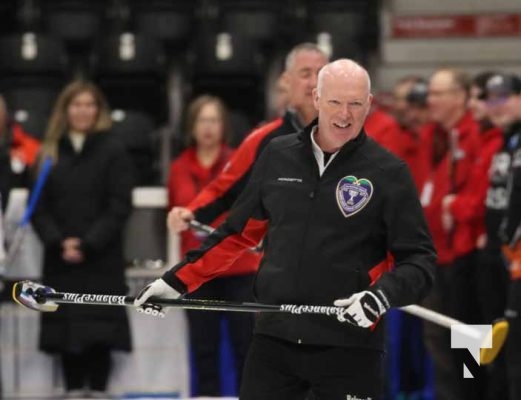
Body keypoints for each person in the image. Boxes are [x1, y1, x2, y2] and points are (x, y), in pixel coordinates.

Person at [136, 59, 436, 400]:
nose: (345, 114)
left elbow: (420, 261)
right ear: (317, 98)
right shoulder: (278, 154)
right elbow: (237, 233)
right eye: (336, 101)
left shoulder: (389, 172)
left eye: (355, 103)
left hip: (350, 347)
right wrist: (175, 282)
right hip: (274, 341)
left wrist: (379, 296)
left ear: (368, 104)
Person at [31, 81, 134, 399]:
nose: (83, 111)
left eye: (89, 104)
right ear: (65, 110)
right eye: (76, 105)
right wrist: (58, 241)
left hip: (101, 262)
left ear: (98, 110)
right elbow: (39, 207)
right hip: (61, 262)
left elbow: (119, 205)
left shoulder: (113, 150)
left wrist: (88, 243)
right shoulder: (49, 151)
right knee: (67, 336)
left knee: (99, 335)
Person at [166, 42, 328, 236]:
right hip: (286, 259)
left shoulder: (351, 136)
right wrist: (191, 213)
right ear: (286, 81)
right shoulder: (264, 139)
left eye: (321, 74)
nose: (314, 82)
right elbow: (225, 189)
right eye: (305, 74)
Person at [168, 95, 261, 396]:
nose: (208, 128)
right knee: (203, 348)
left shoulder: (238, 163)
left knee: (245, 349)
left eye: (214, 120)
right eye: (202, 120)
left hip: (239, 268)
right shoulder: (179, 167)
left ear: (224, 126)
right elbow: (177, 211)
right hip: (198, 272)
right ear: (191, 126)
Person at [420, 67, 483, 400]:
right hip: (437, 255)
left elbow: (478, 199)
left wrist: (452, 206)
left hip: (464, 257)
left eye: (438, 93)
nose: (430, 100)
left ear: (460, 97)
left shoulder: (475, 136)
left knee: (467, 340)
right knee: (440, 340)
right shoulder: (437, 136)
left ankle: (470, 394)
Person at [481, 72, 521, 400]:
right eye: (490, 99)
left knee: (513, 347)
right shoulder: (502, 140)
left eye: (504, 97)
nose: (495, 106)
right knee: (486, 340)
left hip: (514, 260)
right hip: (492, 255)